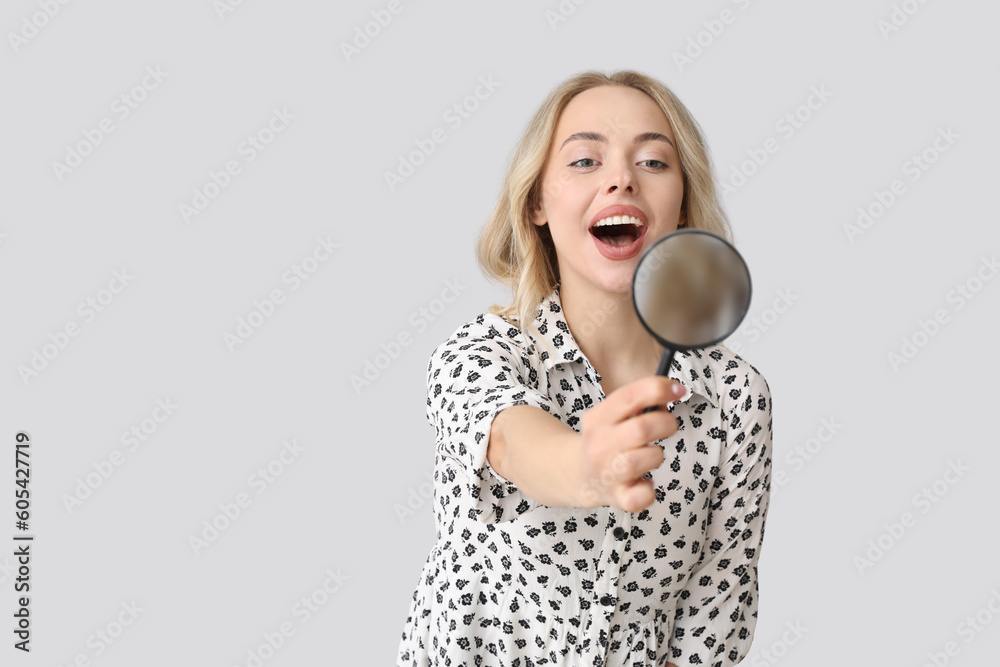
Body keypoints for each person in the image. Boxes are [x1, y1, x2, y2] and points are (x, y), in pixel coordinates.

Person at [397, 69, 773, 667]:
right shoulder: (479, 353)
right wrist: (585, 468)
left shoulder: (736, 397)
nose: (622, 178)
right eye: (584, 161)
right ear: (538, 202)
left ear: (681, 206)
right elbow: (513, 445)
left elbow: (715, 610)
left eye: (653, 162)